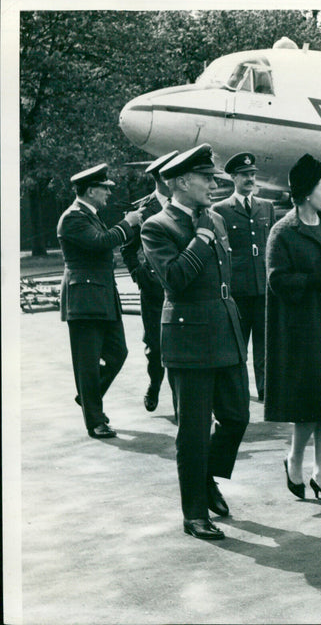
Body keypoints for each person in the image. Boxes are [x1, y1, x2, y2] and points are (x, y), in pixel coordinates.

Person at [141, 144, 250, 541]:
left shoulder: (216, 219)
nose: (213, 185)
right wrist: (201, 239)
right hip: (189, 339)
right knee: (193, 430)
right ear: (182, 182)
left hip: (225, 330)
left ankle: (206, 476)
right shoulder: (157, 225)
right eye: (206, 179)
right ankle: (194, 513)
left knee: (237, 416)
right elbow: (175, 279)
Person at [265, 154, 321, 503]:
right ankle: (294, 461)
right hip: (300, 330)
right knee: (308, 406)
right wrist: (319, 280)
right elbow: (277, 281)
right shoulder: (283, 232)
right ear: (306, 193)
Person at [57, 163, 142, 438]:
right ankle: (95, 420)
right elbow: (100, 242)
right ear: (91, 190)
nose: (108, 193)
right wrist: (128, 224)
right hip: (84, 300)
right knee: (88, 363)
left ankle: (88, 396)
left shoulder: (88, 214)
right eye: (104, 188)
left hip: (100, 296)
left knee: (118, 353)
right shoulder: (73, 217)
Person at [211, 152, 275, 402]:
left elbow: (272, 247)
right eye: (245, 175)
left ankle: (266, 390)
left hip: (263, 288)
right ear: (233, 177)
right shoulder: (221, 209)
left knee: (265, 345)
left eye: (252, 174)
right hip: (237, 290)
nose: (250, 179)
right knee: (237, 345)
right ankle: (236, 392)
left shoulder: (266, 207)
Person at [120, 150, 179, 414]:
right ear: (162, 178)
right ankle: (155, 383)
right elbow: (128, 250)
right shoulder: (143, 210)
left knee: (182, 347)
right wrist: (139, 275)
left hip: (182, 286)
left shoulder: (186, 204)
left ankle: (184, 404)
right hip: (154, 291)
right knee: (155, 348)